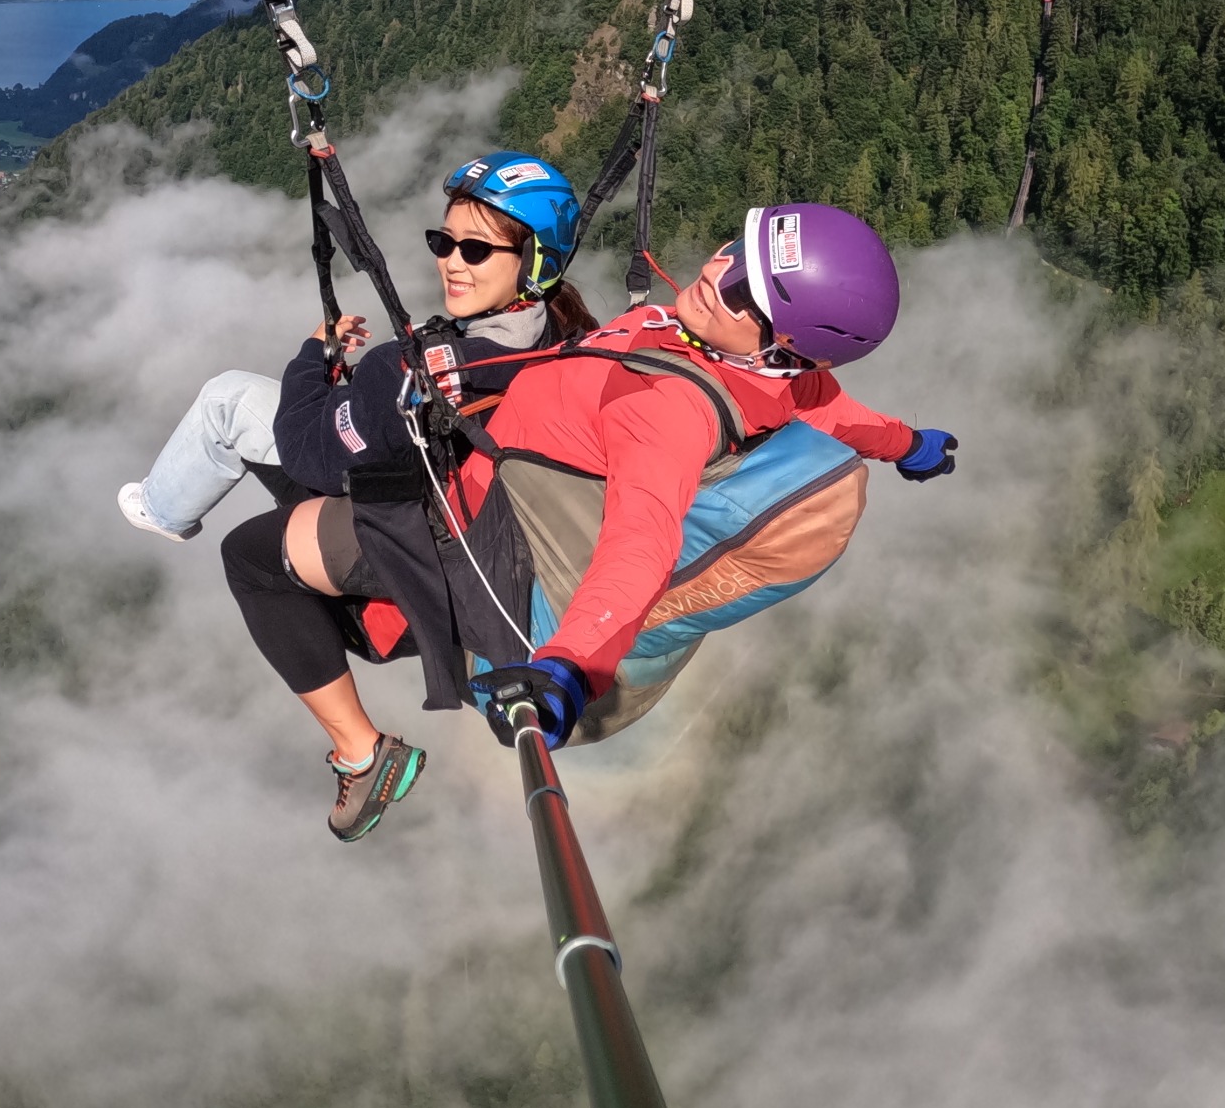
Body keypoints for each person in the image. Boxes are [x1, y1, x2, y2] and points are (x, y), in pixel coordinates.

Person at [219, 198, 957, 830]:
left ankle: (361, 754)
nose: (714, 276)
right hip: (493, 486)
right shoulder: (748, 366)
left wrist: (572, 667)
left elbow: (643, 543)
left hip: (475, 530)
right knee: (311, 498)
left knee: (253, 559)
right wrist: (909, 444)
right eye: (734, 251)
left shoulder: (667, 410)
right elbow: (836, 409)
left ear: (783, 349)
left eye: (744, 295)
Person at [123, 151, 591, 840]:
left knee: (250, 555)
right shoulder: (551, 332)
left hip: (428, 526)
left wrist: (312, 360)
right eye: (443, 242)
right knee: (227, 402)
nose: (451, 262)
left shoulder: (413, 366)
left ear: (534, 262)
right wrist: (350, 397)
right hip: (447, 481)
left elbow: (312, 450)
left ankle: (361, 754)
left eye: (475, 249)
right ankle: (164, 509)